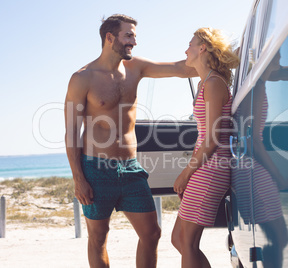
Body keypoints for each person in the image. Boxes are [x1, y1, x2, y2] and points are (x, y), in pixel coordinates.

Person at [64, 14, 196, 268]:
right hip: (96, 169)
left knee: (151, 233)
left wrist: (223, 56)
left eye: (134, 36)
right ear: (109, 37)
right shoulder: (82, 78)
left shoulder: (136, 67)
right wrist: (78, 178)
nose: (134, 42)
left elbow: (182, 69)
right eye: (128, 35)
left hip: (132, 169)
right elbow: (71, 132)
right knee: (98, 237)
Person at [171, 27, 239, 267]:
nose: (186, 49)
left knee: (187, 242)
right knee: (179, 240)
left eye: (190, 44)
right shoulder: (205, 83)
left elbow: (211, 140)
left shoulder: (214, 84)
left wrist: (185, 173)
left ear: (202, 48)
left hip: (211, 168)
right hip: (205, 167)